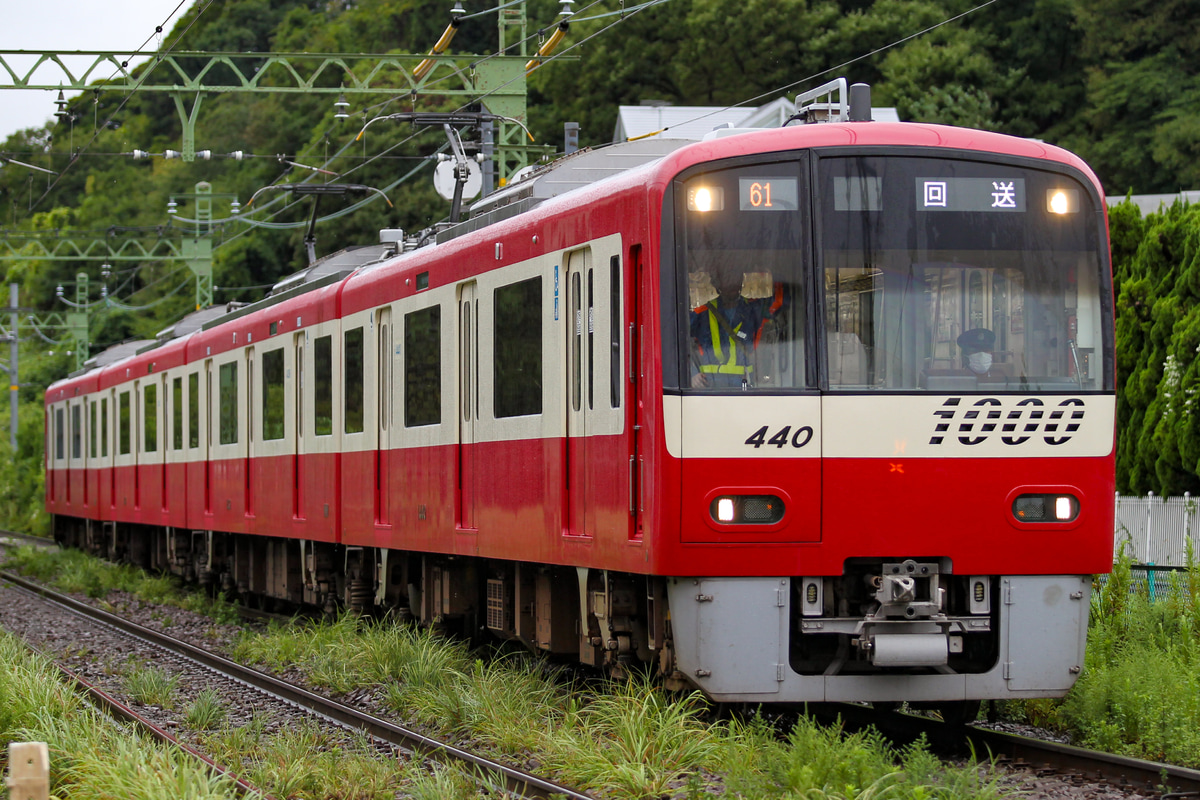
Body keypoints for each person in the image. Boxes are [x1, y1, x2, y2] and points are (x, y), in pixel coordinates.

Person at [689, 271, 771, 388]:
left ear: (741, 283)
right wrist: (691, 374)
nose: (732, 285)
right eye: (727, 280)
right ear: (718, 284)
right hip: (709, 389)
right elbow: (676, 339)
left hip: (745, 388)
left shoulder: (753, 310)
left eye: (736, 280)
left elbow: (782, 303)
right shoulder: (702, 313)